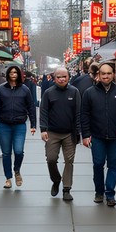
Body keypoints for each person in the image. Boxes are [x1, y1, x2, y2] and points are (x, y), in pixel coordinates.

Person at [80, 62, 116, 207]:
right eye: (103, 74)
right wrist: (85, 135)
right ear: (98, 75)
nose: (106, 76)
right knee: (98, 164)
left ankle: (110, 194)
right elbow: (84, 115)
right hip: (97, 136)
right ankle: (99, 192)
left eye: (109, 73)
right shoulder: (90, 93)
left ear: (113, 74)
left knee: (113, 165)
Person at [40, 66, 81, 201]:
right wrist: (43, 129)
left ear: (69, 77)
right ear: (54, 78)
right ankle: (56, 179)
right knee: (51, 159)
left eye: (64, 76)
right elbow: (44, 111)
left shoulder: (74, 92)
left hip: (69, 133)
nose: (62, 79)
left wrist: (79, 131)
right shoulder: (48, 93)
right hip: (52, 132)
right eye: (59, 77)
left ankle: (66, 188)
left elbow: (78, 113)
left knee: (69, 161)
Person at [0, 65, 37, 189]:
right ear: (7, 74)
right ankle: (8, 178)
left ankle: (17, 170)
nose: (13, 74)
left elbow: (31, 107)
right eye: (11, 72)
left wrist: (33, 124)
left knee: (18, 151)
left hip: (19, 125)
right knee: (6, 153)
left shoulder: (25, 89)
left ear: (19, 74)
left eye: (15, 72)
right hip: (4, 125)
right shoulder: (1, 89)